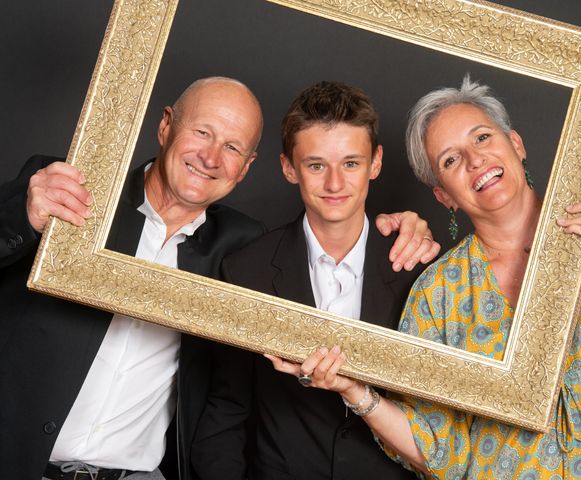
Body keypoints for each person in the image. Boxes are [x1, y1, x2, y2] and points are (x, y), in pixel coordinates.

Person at [0, 77, 435, 480]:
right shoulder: (67, 191)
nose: (210, 158)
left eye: (232, 147)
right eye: (202, 133)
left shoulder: (237, 249)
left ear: (247, 168)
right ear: (166, 125)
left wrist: (406, 225)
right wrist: (24, 213)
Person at [270, 77, 581, 479]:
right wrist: (353, 390)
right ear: (442, 195)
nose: (474, 159)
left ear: (515, 143)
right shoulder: (438, 292)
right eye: (449, 160)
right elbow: (439, 451)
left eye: (482, 137)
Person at [191, 81, 440, 480]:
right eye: (316, 165)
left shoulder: (420, 267)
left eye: (351, 163)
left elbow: (441, 424)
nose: (335, 184)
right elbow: (227, 409)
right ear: (289, 168)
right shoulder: (246, 270)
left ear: (375, 163)